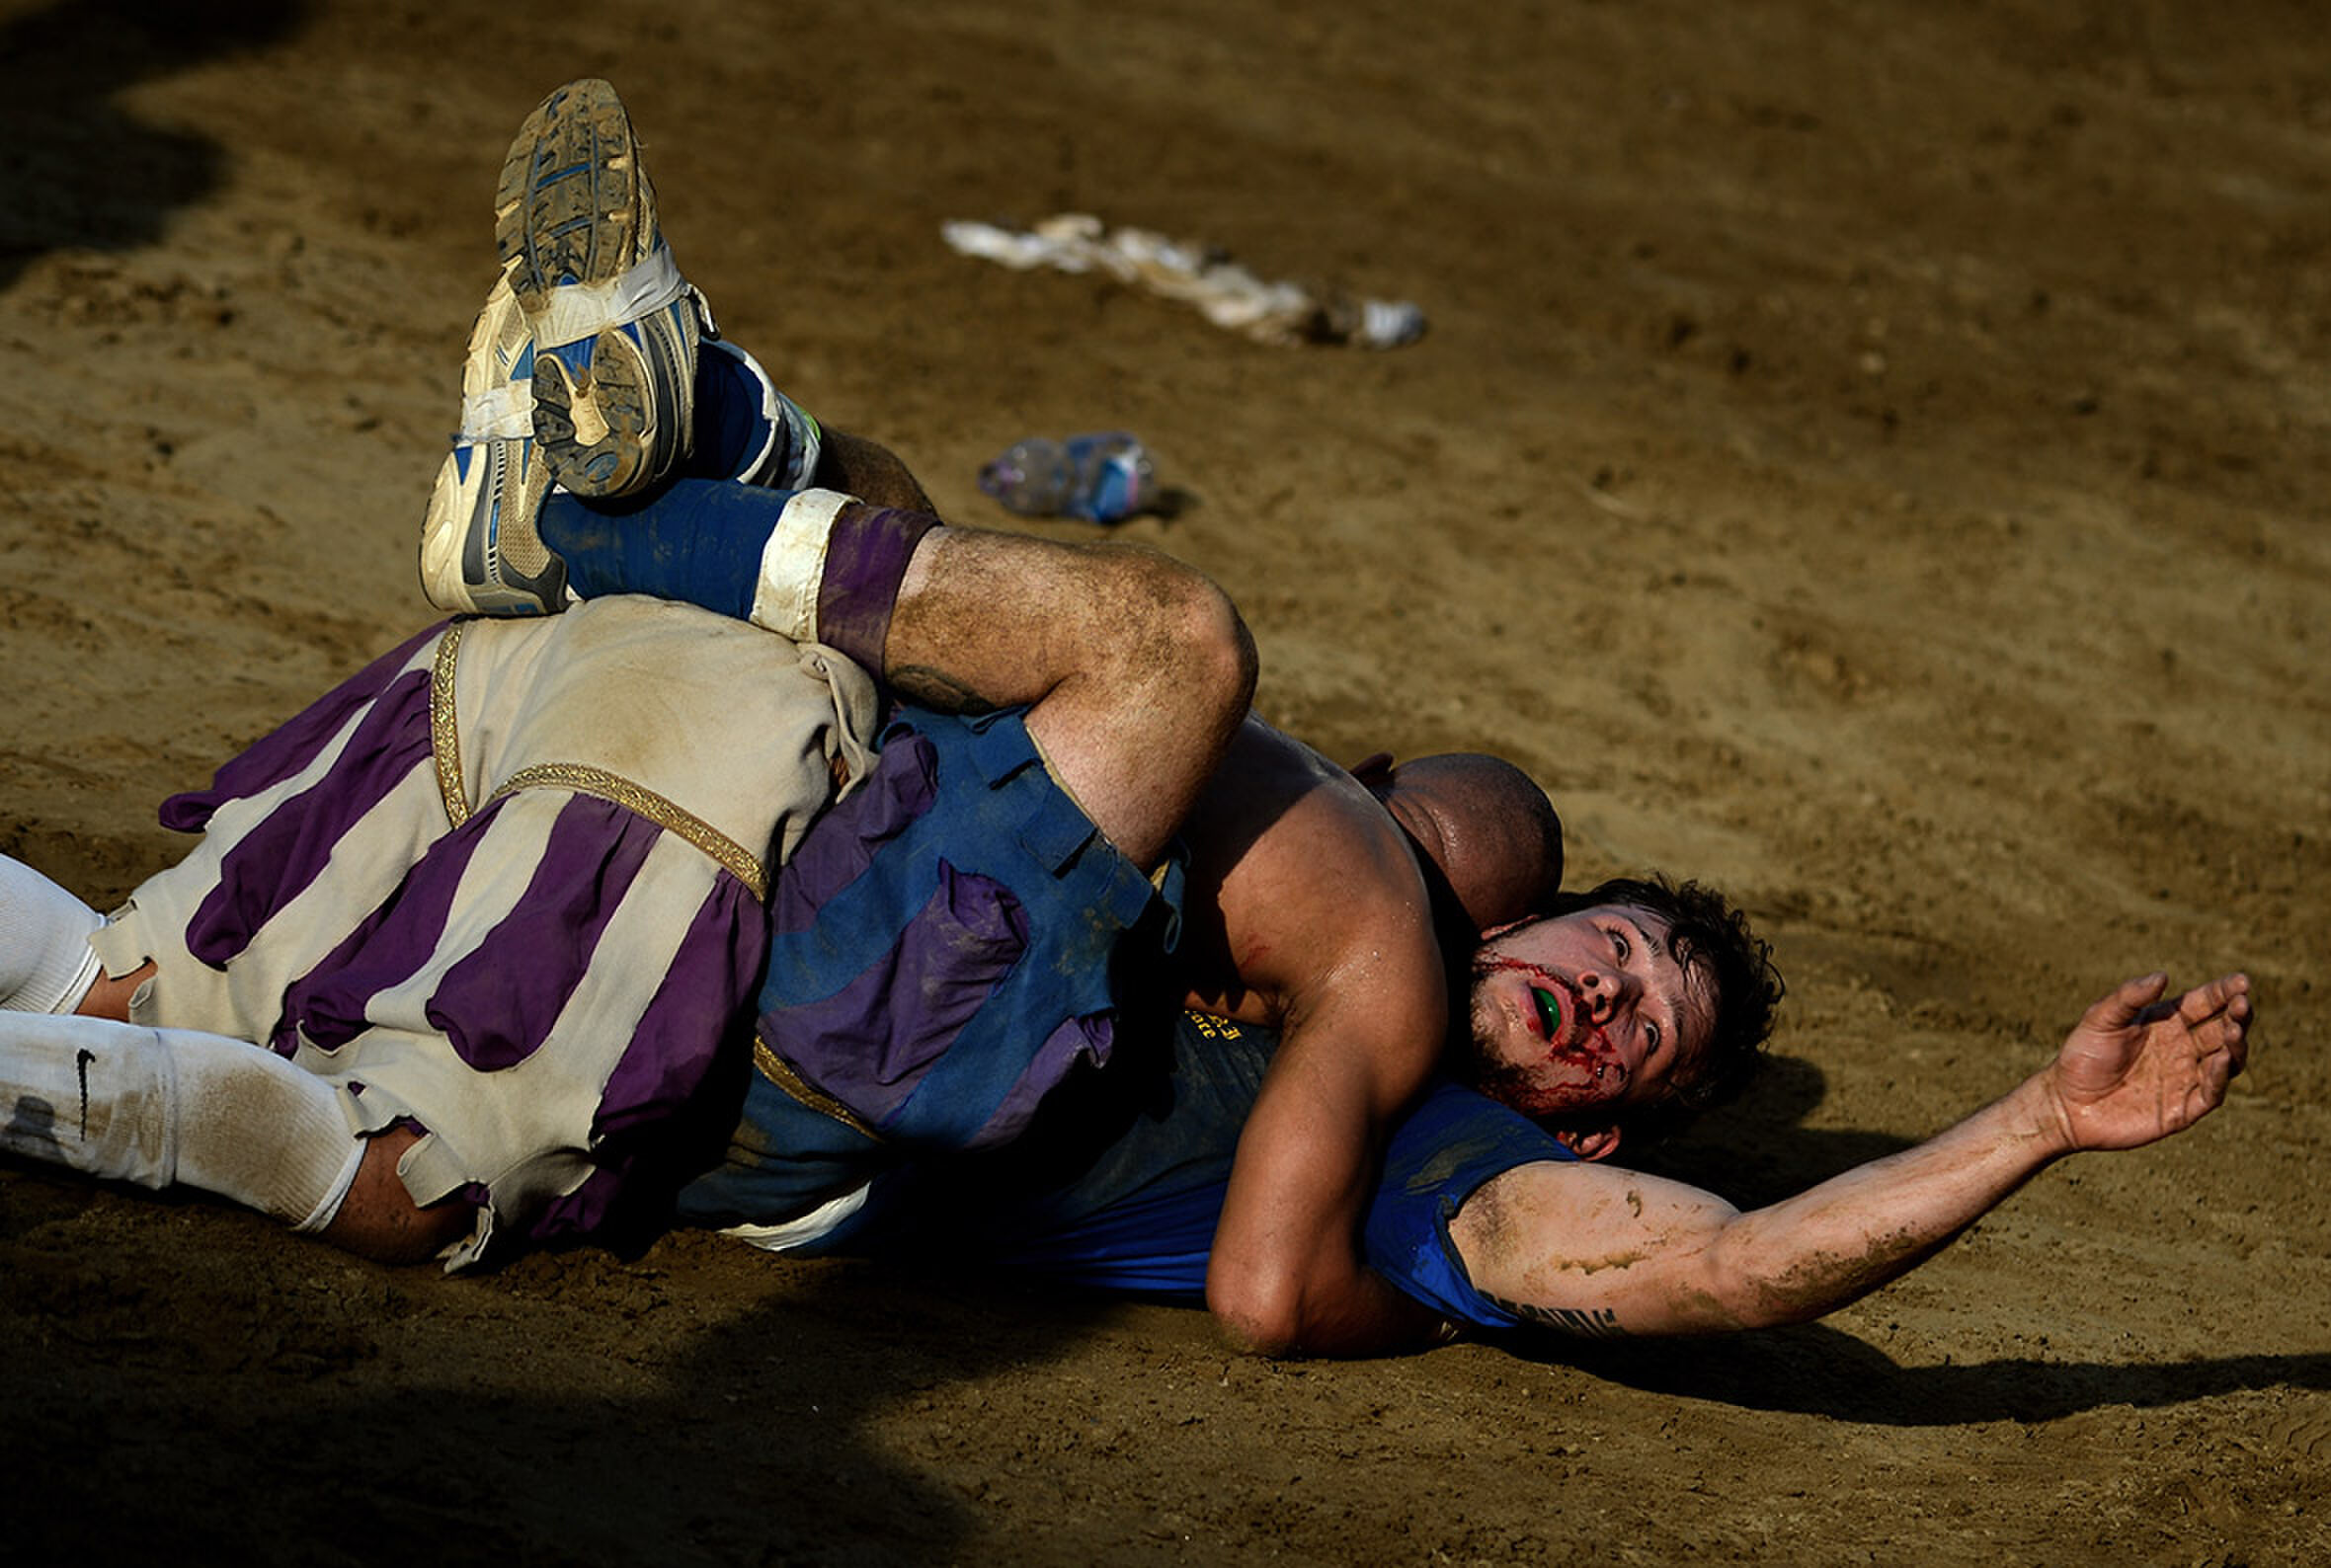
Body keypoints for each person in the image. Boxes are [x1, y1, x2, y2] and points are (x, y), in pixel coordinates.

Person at [417, 79, 1787, 1355]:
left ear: (1598, 1132)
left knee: (1165, 644)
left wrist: (2012, 1125)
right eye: (1615, 944)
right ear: (1511, 927)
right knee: (918, 536)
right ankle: (695, 426)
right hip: (866, 854)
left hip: (857, 1057)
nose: (1610, 992)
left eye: (1642, 1034)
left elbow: (1332, 1281)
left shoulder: (1415, 1088)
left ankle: (605, 503)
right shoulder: (1321, 888)